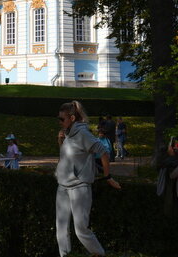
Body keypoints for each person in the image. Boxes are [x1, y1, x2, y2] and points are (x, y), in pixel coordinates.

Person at [55, 100, 121, 257]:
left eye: (62, 119)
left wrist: (108, 177)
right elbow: (69, 158)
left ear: (71, 118)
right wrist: (61, 141)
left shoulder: (83, 133)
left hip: (79, 187)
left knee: (81, 230)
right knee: (61, 229)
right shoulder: (69, 134)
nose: (59, 122)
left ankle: (99, 254)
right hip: (63, 186)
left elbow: (103, 151)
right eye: (58, 119)